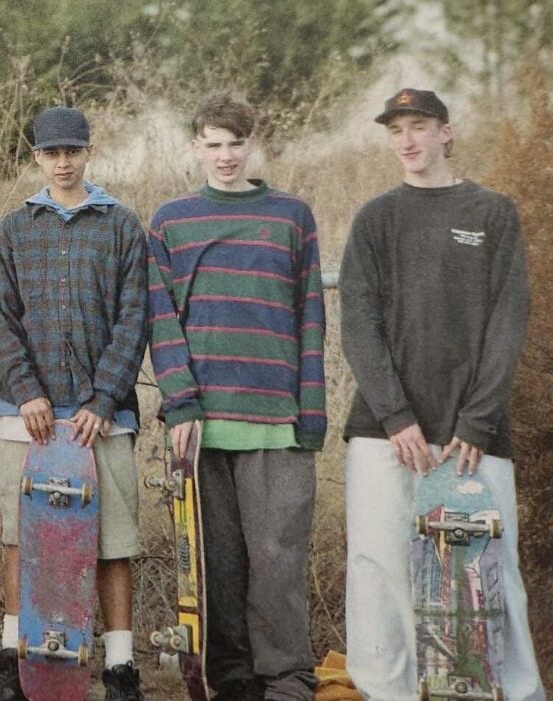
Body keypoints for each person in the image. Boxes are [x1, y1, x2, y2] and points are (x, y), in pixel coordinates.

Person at [340, 88, 544, 699]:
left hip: (472, 438)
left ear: (446, 132)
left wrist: (478, 421)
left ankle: (515, 691)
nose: (408, 140)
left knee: (492, 573)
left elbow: (510, 320)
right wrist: (396, 415)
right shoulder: (376, 218)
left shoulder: (492, 213)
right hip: (385, 433)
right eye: (396, 129)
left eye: (420, 126)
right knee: (378, 570)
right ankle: (388, 691)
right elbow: (359, 321)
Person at [147, 92, 326, 700]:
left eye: (235, 144)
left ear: (253, 144)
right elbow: (161, 320)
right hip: (204, 423)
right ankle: (233, 677)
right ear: (195, 147)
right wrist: (181, 402)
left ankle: (287, 677)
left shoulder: (291, 217)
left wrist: (311, 413)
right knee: (217, 565)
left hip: (277, 418)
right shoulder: (171, 220)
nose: (225, 156)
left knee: (276, 562)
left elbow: (311, 319)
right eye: (213, 144)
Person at [0, 106, 148, 701]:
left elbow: (134, 316)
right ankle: (13, 657)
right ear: (37, 158)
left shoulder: (121, 224)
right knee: (22, 536)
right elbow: (2, 318)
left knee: (111, 540)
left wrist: (103, 399)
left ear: (88, 152)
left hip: (103, 416)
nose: (63, 162)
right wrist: (26, 392)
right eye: (52, 153)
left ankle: (120, 666)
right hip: (28, 414)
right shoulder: (15, 227)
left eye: (72, 151)